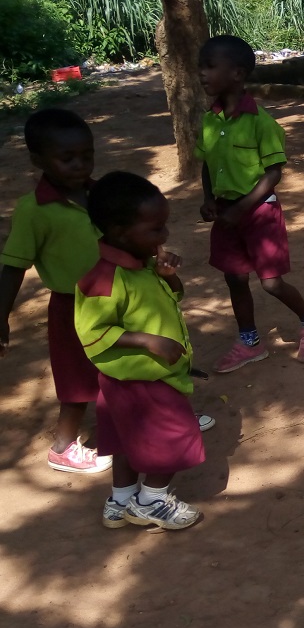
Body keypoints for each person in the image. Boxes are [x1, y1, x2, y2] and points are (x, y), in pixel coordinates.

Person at [77, 172, 206, 531]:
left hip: (135, 379)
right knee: (177, 434)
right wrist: (148, 340)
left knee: (126, 440)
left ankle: (120, 500)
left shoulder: (144, 266)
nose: (164, 236)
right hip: (143, 378)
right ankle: (152, 500)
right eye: (155, 229)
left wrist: (168, 276)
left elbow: (173, 297)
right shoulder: (103, 279)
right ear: (119, 232)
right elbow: (92, 331)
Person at [197, 34, 304, 372]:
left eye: (210, 66)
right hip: (226, 213)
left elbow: (273, 174)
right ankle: (249, 341)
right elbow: (207, 164)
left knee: (271, 282)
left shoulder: (260, 122)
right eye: (201, 67)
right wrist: (209, 198)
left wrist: (242, 208)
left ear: (237, 74)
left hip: (259, 212)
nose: (202, 73)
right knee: (234, 278)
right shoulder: (210, 120)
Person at [0, 109, 110, 473]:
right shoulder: (33, 210)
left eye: (87, 155)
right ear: (38, 160)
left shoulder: (101, 193)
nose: (80, 165)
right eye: (67, 158)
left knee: (131, 363)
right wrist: (1, 317)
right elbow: (14, 267)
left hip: (120, 298)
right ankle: (63, 448)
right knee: (77, 378)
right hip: (72, 307)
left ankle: (152, 419)